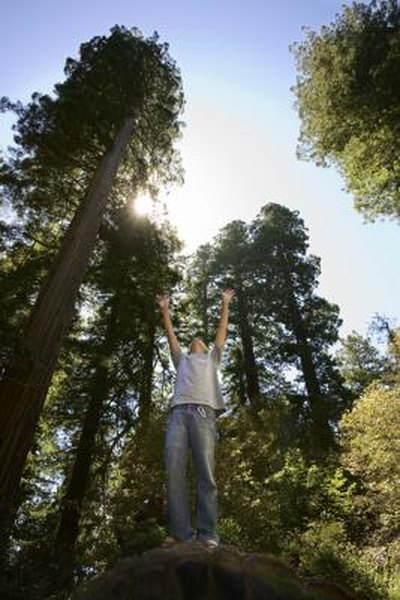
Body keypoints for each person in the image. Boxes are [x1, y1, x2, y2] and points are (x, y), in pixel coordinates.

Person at [157, 289, 235, 548]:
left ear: (205, 348)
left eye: (200, 340)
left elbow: (221, 332)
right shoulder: (181, 360)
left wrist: (224, 303)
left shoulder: (212, 359)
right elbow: (171, 339)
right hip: (179, 413)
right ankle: (180, 534)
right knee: (174, 469)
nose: (195, 340)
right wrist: (165, 310)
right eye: (193, 341)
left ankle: (208, 535)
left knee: (206, 474)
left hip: (204, 413)